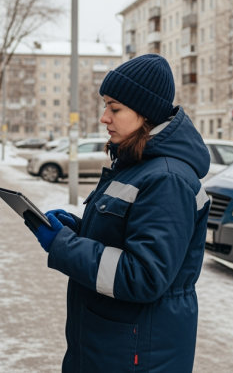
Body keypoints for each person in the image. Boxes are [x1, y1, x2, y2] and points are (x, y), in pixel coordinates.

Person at [29, 54, 211, 372]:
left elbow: (143, 275)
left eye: (115, 108)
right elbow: (127, 234)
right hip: (114, 344)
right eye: (105, 106)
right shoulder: (136, 166)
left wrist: (64, 245)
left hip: (138, 352)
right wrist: (79, 229)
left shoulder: (167, 178)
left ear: (146, 114)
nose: (104, 118)